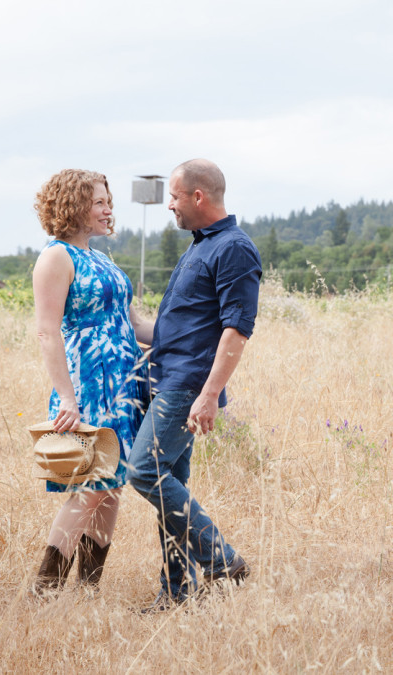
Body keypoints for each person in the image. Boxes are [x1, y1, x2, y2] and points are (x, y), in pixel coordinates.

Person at [127, 158, 262, 610]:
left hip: (187, 386)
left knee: (144, 472)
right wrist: (123, 316)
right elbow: (169, 332)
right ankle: (178, 592)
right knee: (170, 485)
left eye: (175, 196)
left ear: (198, 197)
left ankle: (222, 558)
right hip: (168, 378)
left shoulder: (234, 249)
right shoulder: (198, 247)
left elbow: (237, 329)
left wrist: (208, 395)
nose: (169, 205)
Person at [29, 169, 154, 598]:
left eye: (108, 200)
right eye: (99, 201)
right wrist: (67, 395)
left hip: (125, 382)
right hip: (89, 384)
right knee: (91, 487)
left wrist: (191, 337)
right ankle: (43, 592)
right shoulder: (56, 257)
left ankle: (87, 594)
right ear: (75, 204)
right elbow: (48, 331)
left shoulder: (103, 259)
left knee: (113, 487)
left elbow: (133, 322)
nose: (108, 208)